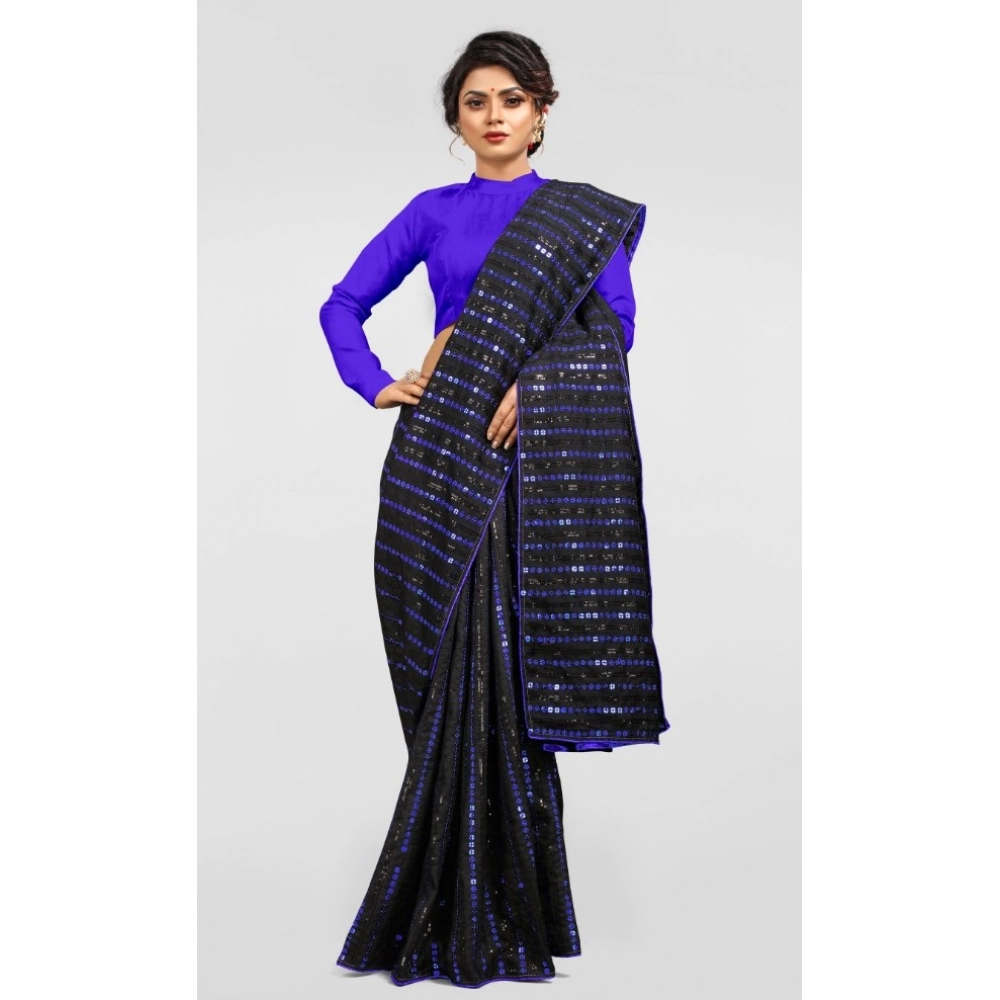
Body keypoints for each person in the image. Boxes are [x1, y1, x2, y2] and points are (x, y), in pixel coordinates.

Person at [319, 30, 669, 989]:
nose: (495, 115)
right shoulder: (432, 213)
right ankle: (444, 900)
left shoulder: (580, 219)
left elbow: (615, 329)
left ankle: (503, 909)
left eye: (512, 99)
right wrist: (377, 382)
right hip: (435, 461)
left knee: (504, 678)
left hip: (525, 466)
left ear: (542, 112)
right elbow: (342, 305)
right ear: (456, 120)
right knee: (445, 673)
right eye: (476, 101)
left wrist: (539, 385)